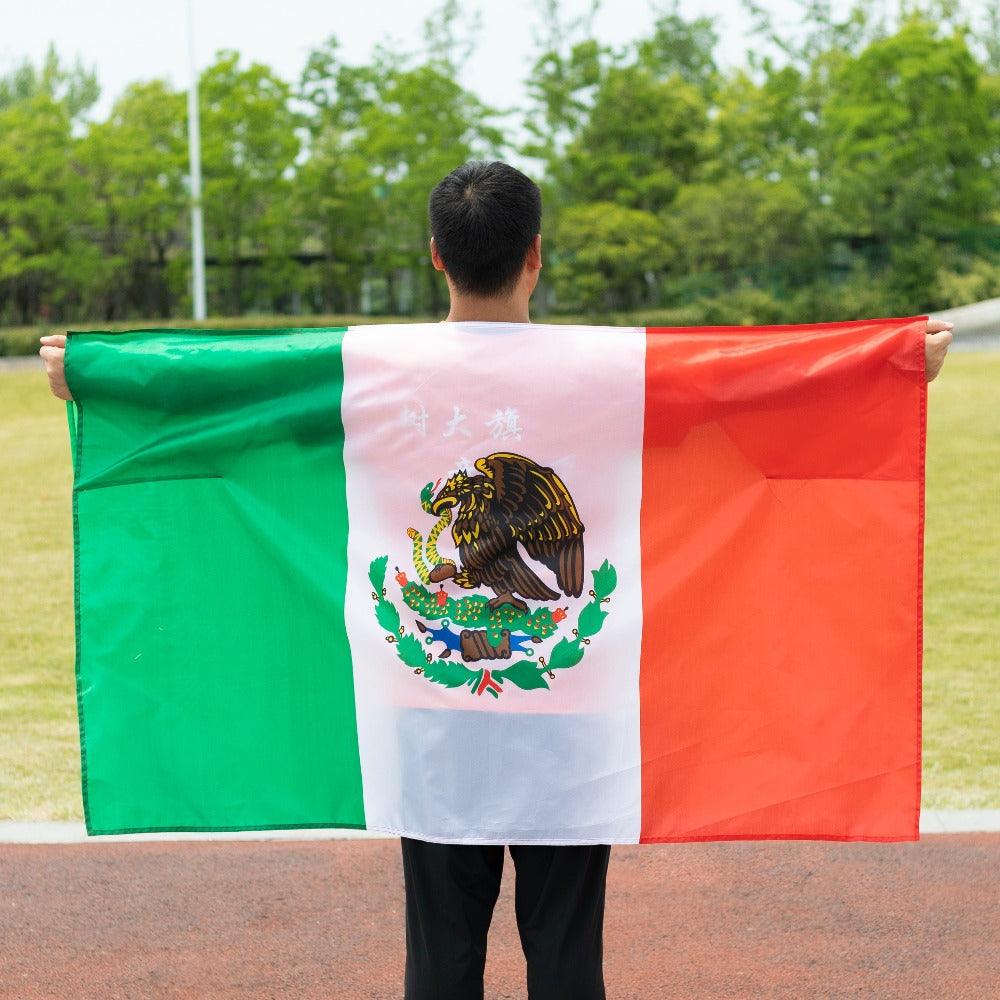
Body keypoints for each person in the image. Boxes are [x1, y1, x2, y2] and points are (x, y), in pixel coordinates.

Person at [39, 160, 955, 1000]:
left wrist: (97, 376)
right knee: (565, 959)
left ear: (435, 256)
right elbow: (760, 385)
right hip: (572, 708)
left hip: (430, 706)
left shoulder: (371, 369)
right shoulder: (612, 370)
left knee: (439, 959)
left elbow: (233, 396)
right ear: (537, 255)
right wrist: (891, 362)